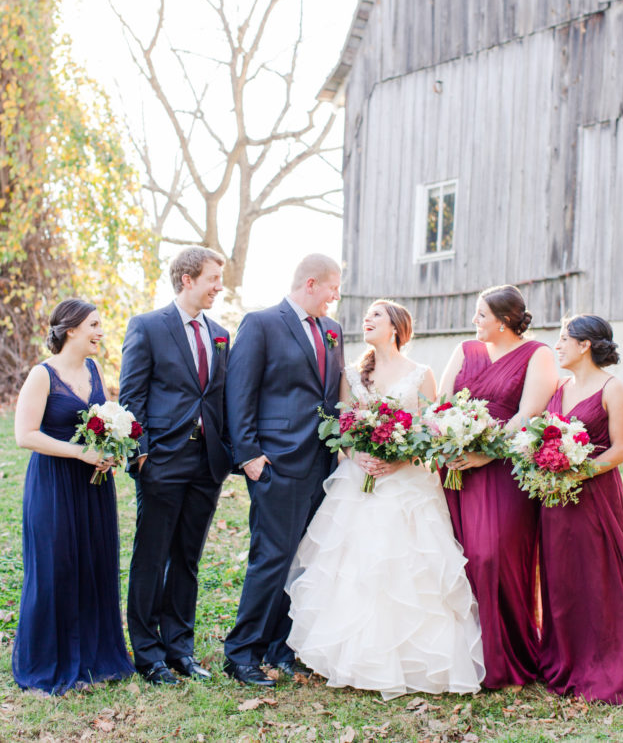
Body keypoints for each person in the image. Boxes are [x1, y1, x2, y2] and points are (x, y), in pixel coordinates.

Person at [286, 300, 485, 700]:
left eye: (376, 316)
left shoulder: (421, 374)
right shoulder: (353, 375)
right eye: (366, 317)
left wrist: (402, 459)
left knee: (409, 567)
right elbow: (344, 428)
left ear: (395, 327)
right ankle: (352, 657)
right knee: (356, 565)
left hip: (408, 483)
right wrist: (356, 455)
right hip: (358, 479)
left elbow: (433, 432)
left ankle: (416, 660)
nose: (367, 321)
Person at [223, 253, 344, 687]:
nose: (336, 297)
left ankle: (282, 647)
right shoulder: (261, 324)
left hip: (321, 462)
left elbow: (332, 396)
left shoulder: (332, 331)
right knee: (271, 557)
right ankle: (241, 652)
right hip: (275, 461)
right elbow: (239, 392)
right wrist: (249, 453)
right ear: (310, 283)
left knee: (302, 560)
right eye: (333, 288)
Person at [120, 246, 232, 685]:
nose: (219, 287)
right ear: (187, 279)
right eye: (213, 279)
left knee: (187, 558)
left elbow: (221, 396)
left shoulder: (221, 334)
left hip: (207, 464)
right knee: (151, 558)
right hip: (161, 460)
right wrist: (141, 454)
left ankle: (179, 650)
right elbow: (132, 397)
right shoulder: (147, 327)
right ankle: (148, 656)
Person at [12, 299, 134, 695]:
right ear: (71, 330)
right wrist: (81, 452)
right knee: (55, 568)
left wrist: (108, 451)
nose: (101, 331)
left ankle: (94, 657)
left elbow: (99, 423)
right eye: (95, 325)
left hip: (92, 486)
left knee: (93, 564)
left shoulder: (95, 369)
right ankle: (47, 662)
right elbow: (24, 435)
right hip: (53, 484)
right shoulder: (42, 375)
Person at [438, 284, 558, 688]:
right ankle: (461, 655)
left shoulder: (538, 354)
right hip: (455, 468)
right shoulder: (465, 350)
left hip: (503, 468)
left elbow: (529, 413)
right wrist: (450, 439)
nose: (475, 321)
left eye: (482, 315)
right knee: (458, 555)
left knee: (494, 556)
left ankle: (505, 655)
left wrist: (488, 451)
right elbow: (442, 401)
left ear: (505, 321)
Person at [538, 314, 623, 702]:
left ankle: (607, 662)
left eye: (563, 338)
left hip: (593, 497)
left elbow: (620, 450)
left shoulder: (613, 388)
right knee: (562, 578)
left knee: (596, 575)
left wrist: (575, 472)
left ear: (585, 345)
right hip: (554, 500)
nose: (557, 345)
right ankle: (566, 658)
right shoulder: (559, 386)